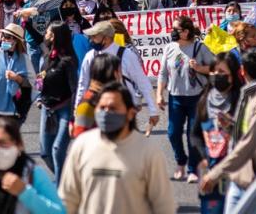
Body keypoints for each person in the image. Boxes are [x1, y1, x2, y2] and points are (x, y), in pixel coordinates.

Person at [60, 82, 175, 214]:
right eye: (102, 108)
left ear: (131, 113)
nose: (106, 113)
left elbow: (164, 204)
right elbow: (67, 198)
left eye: (113, 108)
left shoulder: (148, 151)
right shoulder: (81, 146)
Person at [199, 47, 256, 211]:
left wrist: (215, 173)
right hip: (240, 178)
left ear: (242, 70)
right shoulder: (250, 92)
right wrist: (232, 126)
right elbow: (247, 132)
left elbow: (250, 141)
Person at [0, 117, 65, 214]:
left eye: (4, 143)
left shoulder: (32, 174)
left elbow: (60, 211)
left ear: (19, 145)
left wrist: (24, 192)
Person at [157, 16, 214, 183]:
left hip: (196, 97)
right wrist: (159, 94)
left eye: (176, 29)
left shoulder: (200, 48)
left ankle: (192, 168)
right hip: (175, 97)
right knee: (173, 133)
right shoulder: (169, 48)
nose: (172, 32)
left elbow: (215, 67)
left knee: (192, 135)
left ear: (186, 32)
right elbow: (163, 73)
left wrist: (199, 67)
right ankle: (180, 161)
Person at [75, 22, 159, 129]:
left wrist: (153, 111)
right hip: (98, 110)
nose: (91, 39)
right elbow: (83, 84)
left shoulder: (127, 55)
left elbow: (143, 83)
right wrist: (78, 109)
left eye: (94, 36)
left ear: (106, 38)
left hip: (124, 110)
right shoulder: (90, 56)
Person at [190, 52, 242, 214]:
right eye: (213, 71)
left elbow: (250, 136)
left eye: (221, 72)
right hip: (210, 172)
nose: (216, 76)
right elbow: (195, 134)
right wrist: (204, 158)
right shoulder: (205, 100)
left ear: (232, 76)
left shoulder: (242, 100)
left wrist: (232, 126)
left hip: (235, 170)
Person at [36, 21, 78, 184]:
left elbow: (74, 89)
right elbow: (40, 79)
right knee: (45, 153)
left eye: (47, 32)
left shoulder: (68, 61)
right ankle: (69, 180)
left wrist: (73, 117)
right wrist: (39, 96)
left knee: (57, 150)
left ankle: (61, 191)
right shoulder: (46, 57)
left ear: (54, 37)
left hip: (64, 110)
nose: (45, 35)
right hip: (47, 109)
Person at [71, 53, 121, 138]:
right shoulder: (87, 103)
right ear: (113, 73)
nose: (121, 74)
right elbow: (80, 140)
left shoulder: (110, 97)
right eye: (119, 70)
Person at [0, 23, 31, 120]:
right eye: (2, 35)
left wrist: (17, 78)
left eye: (6, 37)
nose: (2, 39)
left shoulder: (24, 59)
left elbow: (32, 84)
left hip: (15, 110)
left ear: (16, 40)